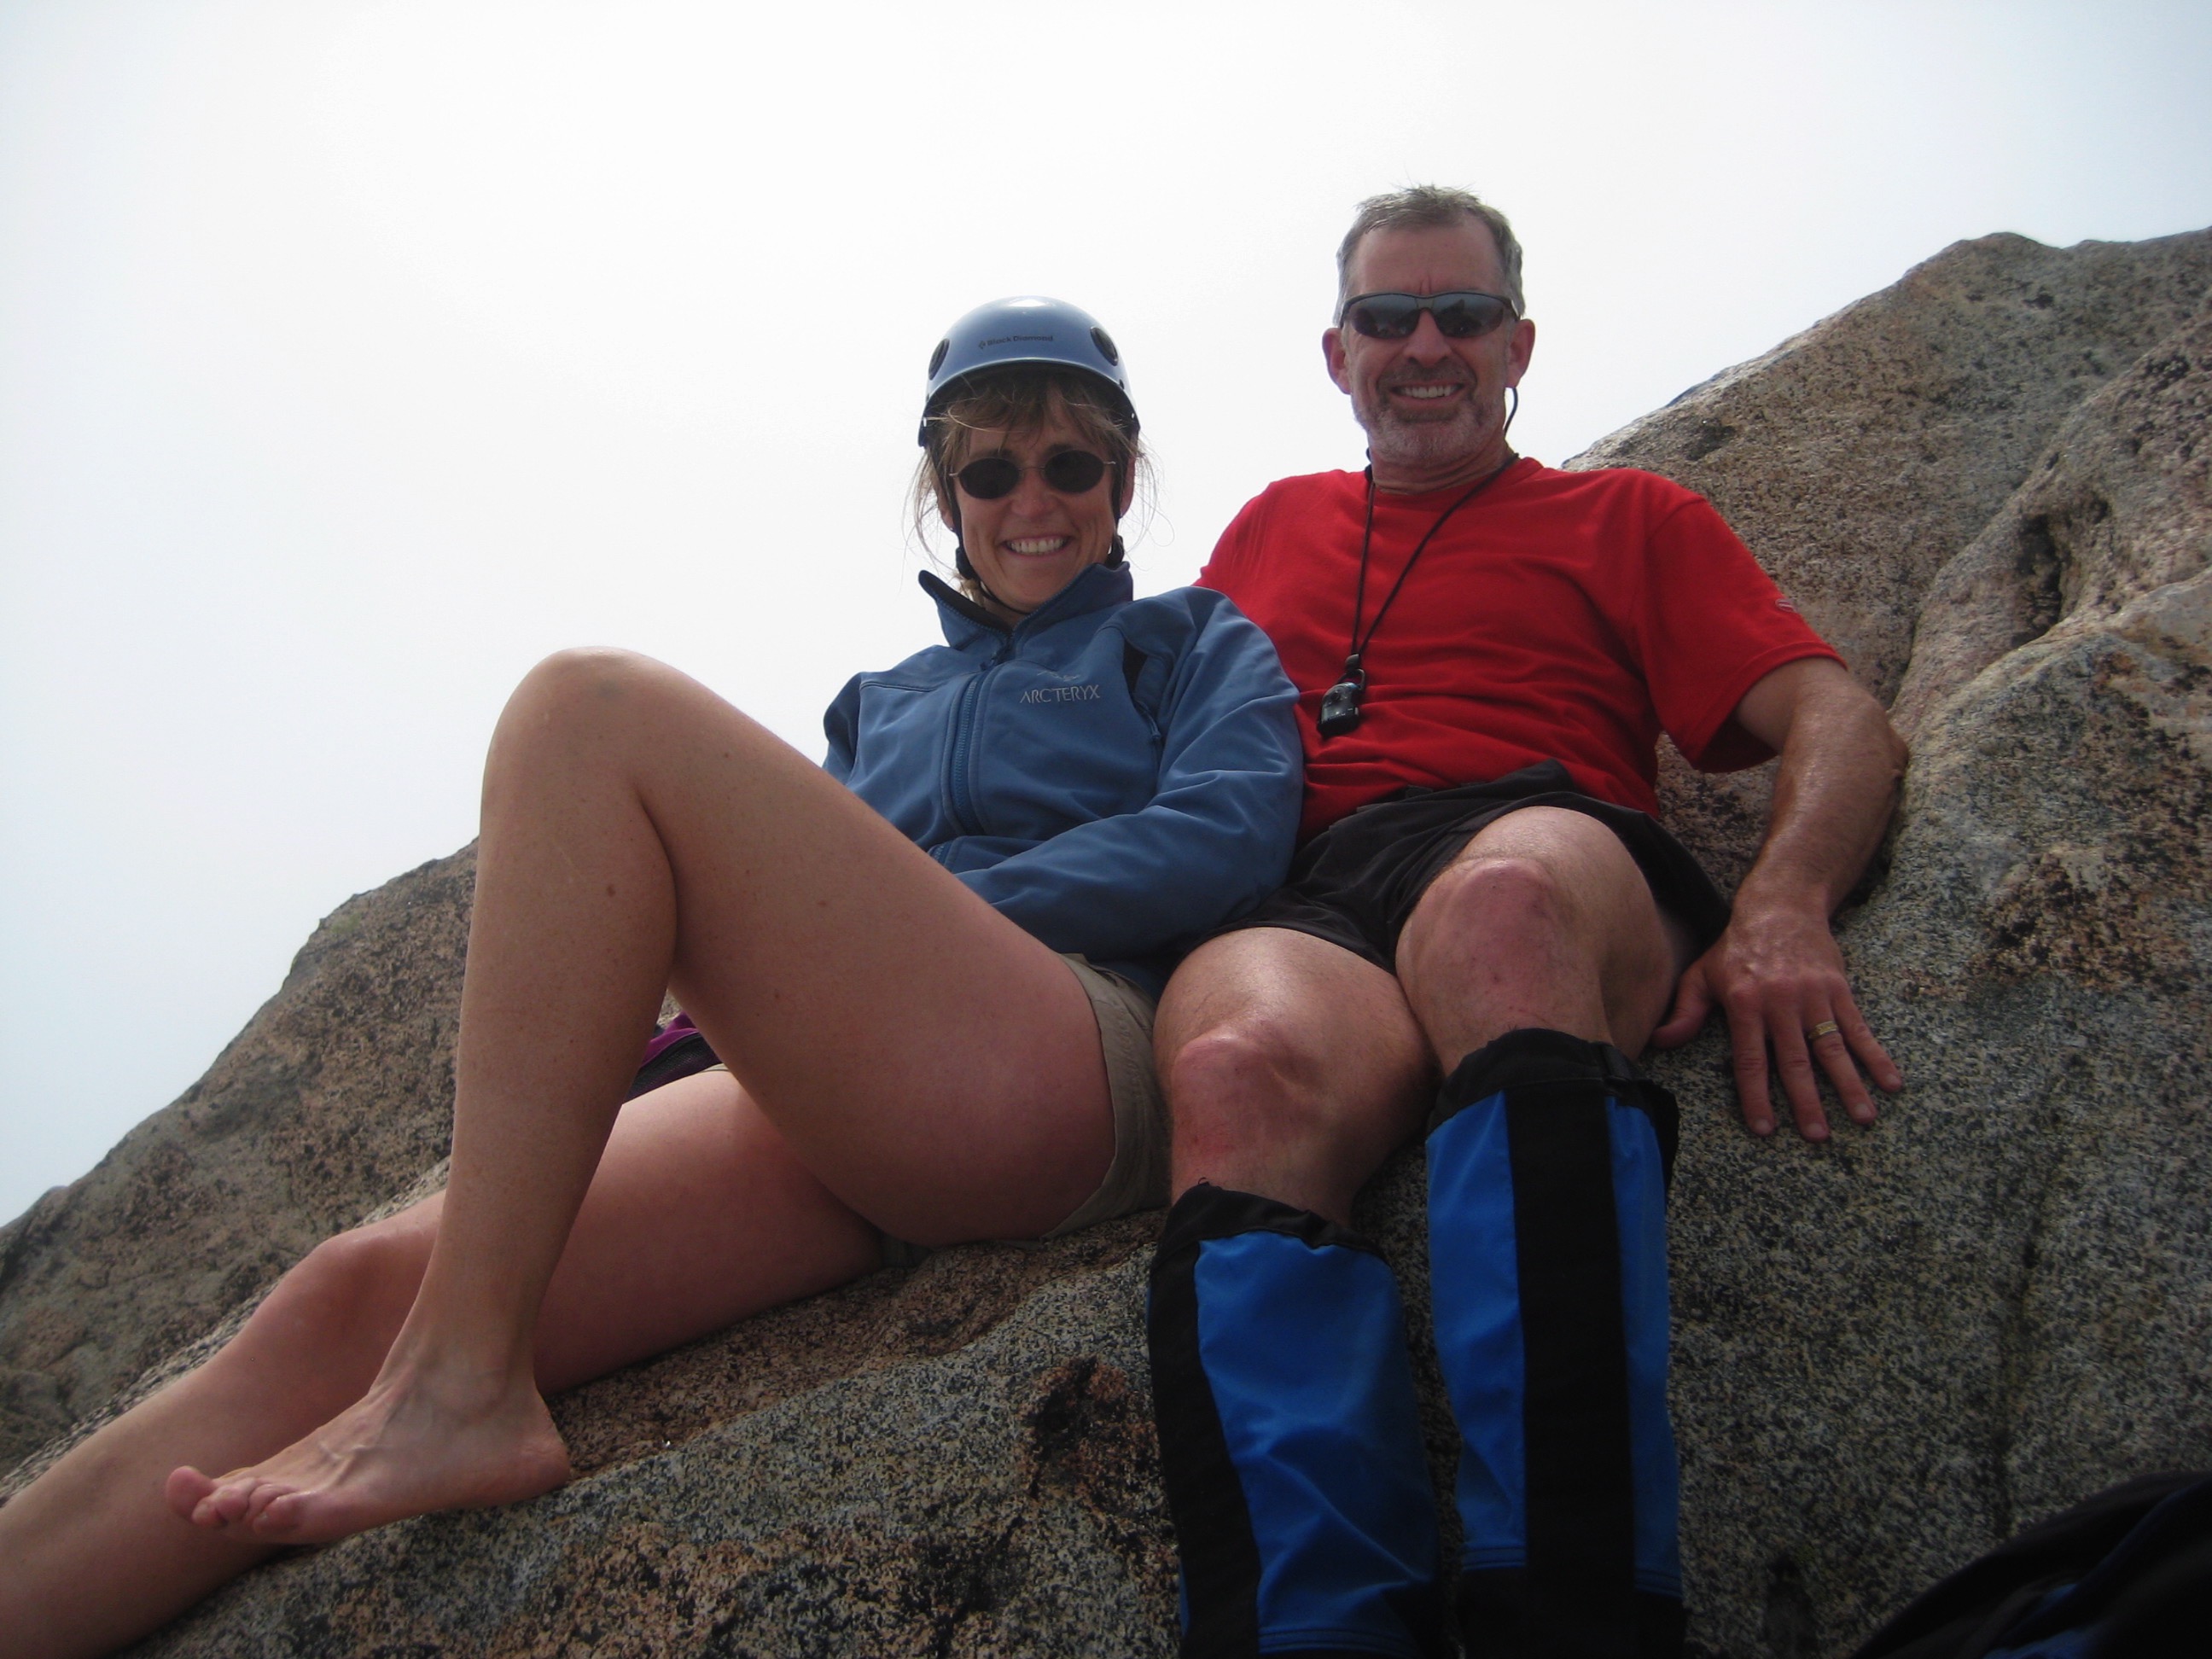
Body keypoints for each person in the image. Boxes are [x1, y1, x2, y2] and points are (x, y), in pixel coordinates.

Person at [0, 298, 1303, 1659]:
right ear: (946, 492)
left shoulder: (1193, 641)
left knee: (586, 709)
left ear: (1124, 481)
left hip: (1067, 1054)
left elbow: (1229, 835)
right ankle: (427, 1386)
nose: (1031, 500)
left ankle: (460, 1385)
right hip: (845, 1116)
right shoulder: (882, 704)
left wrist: (932, 908)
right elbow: (793, 938)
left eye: (1070, 465)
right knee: (346, 1298)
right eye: (990, 470)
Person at [1144, 189, 1911, 1659]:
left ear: (1519, 344)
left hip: (1537, 829)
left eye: (1463, 315)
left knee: (1501, 914)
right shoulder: (1273, 527)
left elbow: (1838, 715)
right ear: (1336, 351)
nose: (1425, 345)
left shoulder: (1629, 515)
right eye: (1388, 318)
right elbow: (1140, 746)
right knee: (1236, 1070)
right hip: (1314, 893)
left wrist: (1783, 906)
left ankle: (1575, 1611)